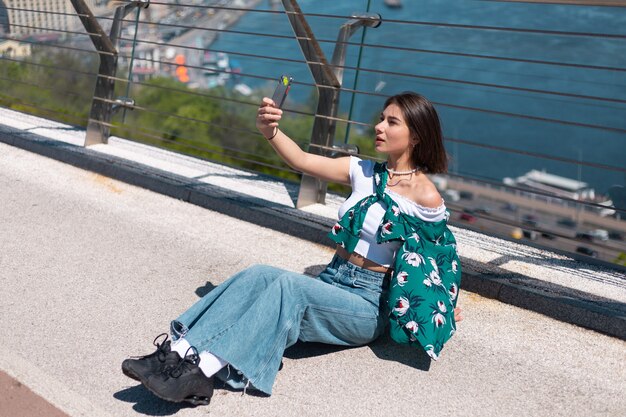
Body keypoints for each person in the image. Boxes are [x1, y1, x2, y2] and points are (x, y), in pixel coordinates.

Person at [121, 92, 463, 406]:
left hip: (366, 304)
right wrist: (270, 131)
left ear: (416, 135)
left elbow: (440, 259)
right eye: (381, 118)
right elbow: (301, 160)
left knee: (288, 286)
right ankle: (175, 353)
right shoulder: (363, 171)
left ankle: (201, 372)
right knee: (259, 274)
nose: (378, 126)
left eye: (392, 122)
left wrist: (444, 306)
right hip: (332, 280)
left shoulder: (425, 196)